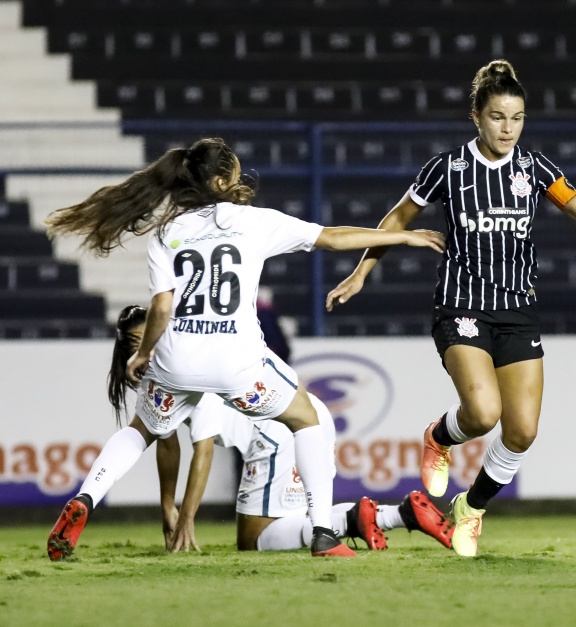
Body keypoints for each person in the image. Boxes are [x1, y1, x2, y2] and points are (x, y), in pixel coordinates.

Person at [44, 137, 444, 560]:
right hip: (237, 361)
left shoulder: (167, 232)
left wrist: (143, 354)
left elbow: (162, 305)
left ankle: (85, 499)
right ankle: (323, 532)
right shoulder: (254, 222)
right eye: (234, 172)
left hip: (177, 356)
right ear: (220, 180)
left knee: (140, 431)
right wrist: (403, 238)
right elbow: (332, 237)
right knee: (306, 418)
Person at [326, 59, 576, 556]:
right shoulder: (448, 169)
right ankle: (439, 437)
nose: (508, 128)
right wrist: (361, 272)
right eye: (498, 117)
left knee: (522, 431)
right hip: (461, 304)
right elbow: (397, 218)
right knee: (483, 414)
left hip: (517, 309)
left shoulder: (537, 169)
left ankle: (471, 508)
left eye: (518, 117)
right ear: (477, 117)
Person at [103, 305, 453, 553]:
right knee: (299, 521)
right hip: (306, 417)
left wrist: (187, 519)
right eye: (134, 347)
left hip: (279, 432)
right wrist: (168, 506)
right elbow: (167, 443)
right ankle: (400, 513)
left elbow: (203, 449)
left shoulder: (187, 370)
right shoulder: (177, 368)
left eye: (145, 342)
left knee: (255, 538)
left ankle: (353, 519)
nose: (143, 353)